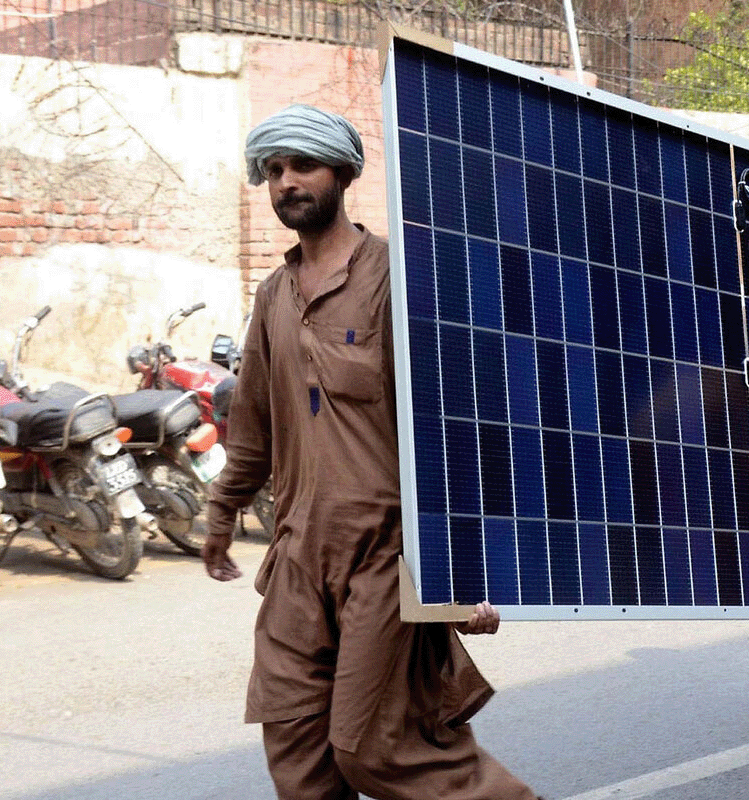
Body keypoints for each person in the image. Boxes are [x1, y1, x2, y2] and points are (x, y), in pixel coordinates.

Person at [202, 104, 540, 800]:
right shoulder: (272, 295)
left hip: (388, 556)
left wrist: (469, 565)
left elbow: (466, 427)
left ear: (343, 172)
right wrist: (218, 514)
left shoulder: (399, 278)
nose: (287, 182)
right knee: (298, 753)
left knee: (377, 749)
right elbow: (253, 424)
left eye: (302, 165)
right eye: (273, 171)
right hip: (298, 554)